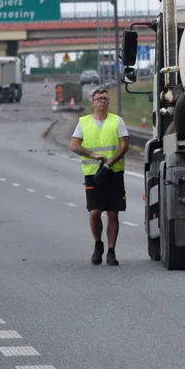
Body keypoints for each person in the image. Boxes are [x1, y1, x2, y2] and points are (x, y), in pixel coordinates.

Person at [69, 87, 130, 266]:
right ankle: (98, 244)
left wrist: (110, 164)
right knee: (95, 211)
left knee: (113, 212)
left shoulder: (117, 121)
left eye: (106, 98)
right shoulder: (84, 122)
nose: (103, 101)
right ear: (93, 102)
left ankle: (111, 251)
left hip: (114, 173)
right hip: (93, 174)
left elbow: (124, 145)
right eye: (99, 98)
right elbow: (74, 145)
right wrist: (93, 156)